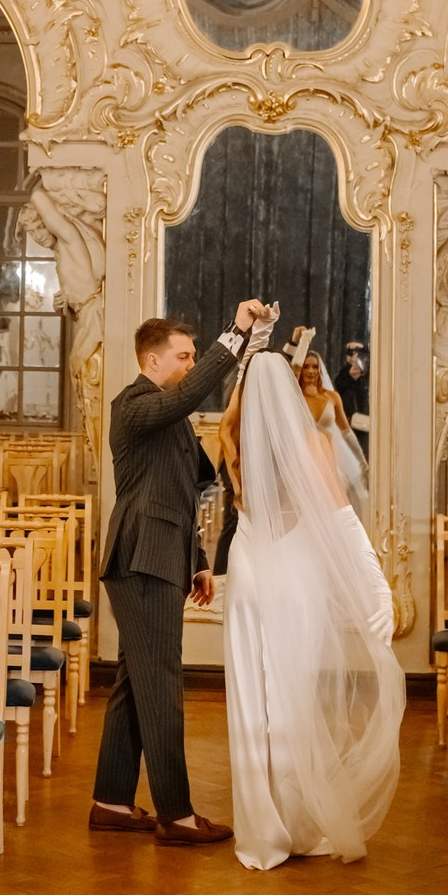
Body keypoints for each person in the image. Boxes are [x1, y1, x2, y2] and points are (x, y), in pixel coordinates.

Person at [90, 299, 268, 845]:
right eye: (184, 357)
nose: (191, 367)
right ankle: (177, 814)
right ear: (152, 361)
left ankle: (111, 802)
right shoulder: (133, 404)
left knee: (134, 682)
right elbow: (192, 394)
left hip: (161, 556)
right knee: (162, 683)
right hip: (141, 558)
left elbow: (193, 486)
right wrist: (234, 333)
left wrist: (198, 563)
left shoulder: (170, 413)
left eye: (195, 357)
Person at [218, 351, 404, 872]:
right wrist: (378, 589)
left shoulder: (232, 438)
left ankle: (260, 835)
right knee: (290, 701)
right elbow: (345, 524)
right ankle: (296, 823)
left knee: (249, 706)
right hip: (291, 575)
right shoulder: (312, 444)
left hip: (248, 570)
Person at [291, 337, 371, 523]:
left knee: (335, 514)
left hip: (329, 463)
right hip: (302, 464)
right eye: (306, 366)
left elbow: (346, 432)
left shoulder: (332, 398)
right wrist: (302, 343)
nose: (310, 371)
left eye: (314, 367)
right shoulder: (294, 398)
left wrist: (361, 461)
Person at [333, 339, 371, 459]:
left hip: (367, 421)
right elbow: (339, 386)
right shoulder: (344, 372)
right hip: (349, 421)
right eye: (351, 352)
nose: (355, 356)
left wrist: (364, 351)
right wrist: (349, 376)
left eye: (359, 353)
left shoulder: (370, 373)